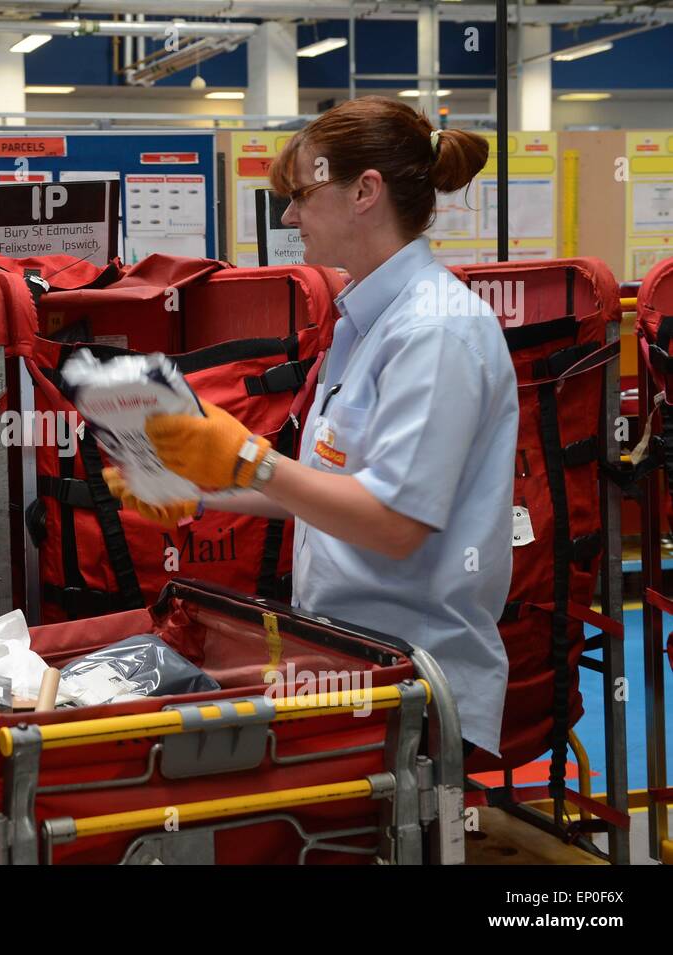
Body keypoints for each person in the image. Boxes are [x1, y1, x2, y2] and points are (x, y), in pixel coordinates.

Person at [105, 97, 518, 757]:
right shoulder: (366, 322)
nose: (290, 216)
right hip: (352, 667)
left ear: (365, 191)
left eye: (300, 194)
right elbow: (333, 488)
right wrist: (198, 490)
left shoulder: (437, 330)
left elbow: (393, 521)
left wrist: (248, 459)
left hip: (418, 692)